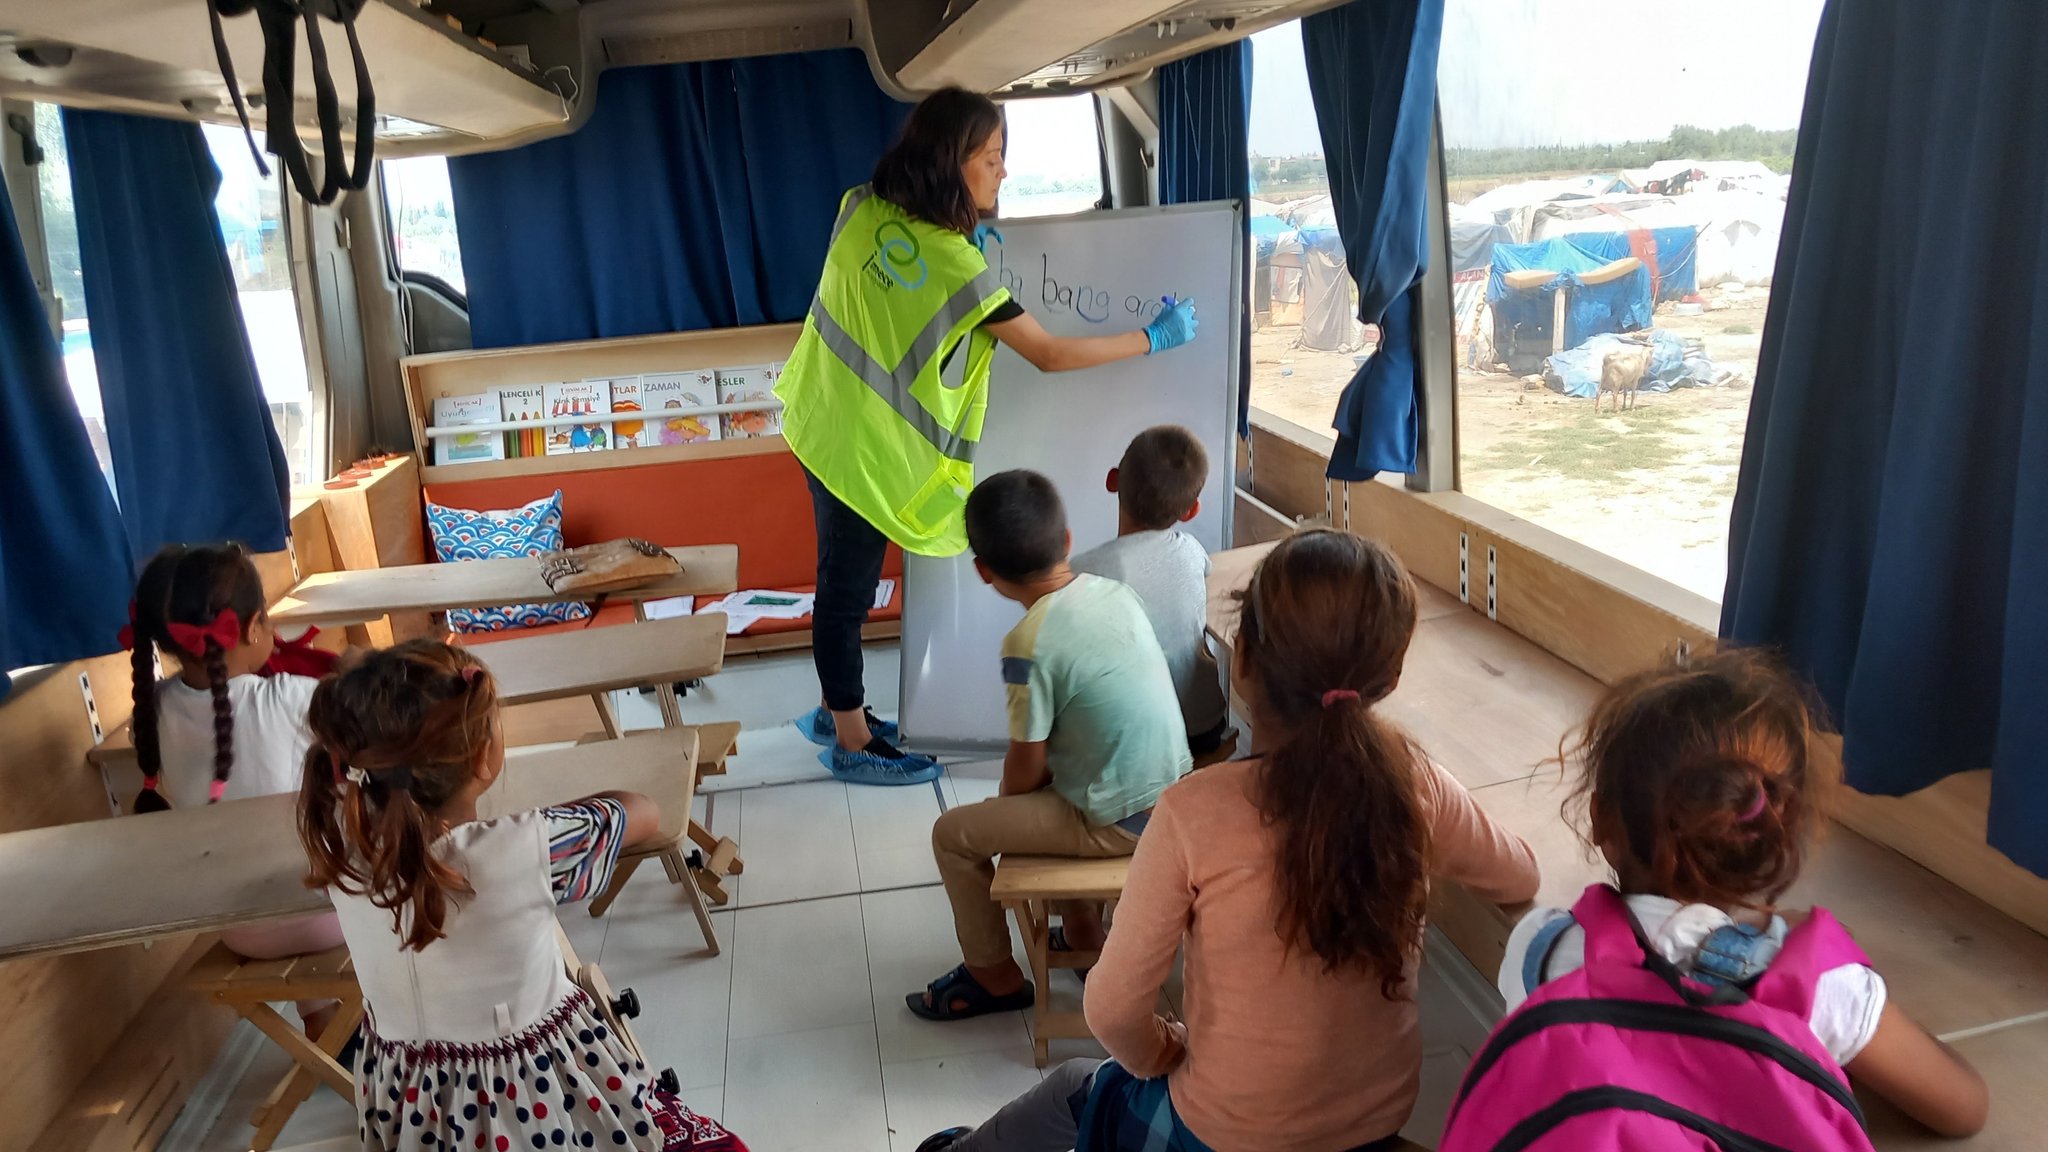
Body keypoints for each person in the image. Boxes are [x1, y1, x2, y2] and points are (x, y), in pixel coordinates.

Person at [917, 529, 1540, 1152]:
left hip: (1223, 1133)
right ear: (1391, 675)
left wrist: (1169, 1050)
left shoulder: (1195, 811)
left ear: (1242, 659)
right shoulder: (1417, 783)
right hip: (1373, 1125)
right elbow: (1520, 875)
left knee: (1073, 1088)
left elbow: (1110, 1012)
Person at [778, 87, 1200, 786]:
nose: (1003, 173)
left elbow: (881, 290)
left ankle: (836, 707)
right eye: (993, 157)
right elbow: (1050, 353)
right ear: (953, 163)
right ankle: (851, 739)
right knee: (845, 592)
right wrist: (1153, 338)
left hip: (817, 416)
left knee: (839, 582)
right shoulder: (960, 269)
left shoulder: (861, 204)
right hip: (860, 453)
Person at [1475, 650, 1988, 1141]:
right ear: (1782, 832)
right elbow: (1963, 1107)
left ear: (1601, 820)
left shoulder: (1540, 947)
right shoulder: (1814, 987)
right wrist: (1841, 969)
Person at [297, 641, 749, 1152]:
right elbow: (642, 811)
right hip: (530, 1091)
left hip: (407, 1091)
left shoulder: (336, 843)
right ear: (485, 757)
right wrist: (553, 816)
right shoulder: (525, 844)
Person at [910, 471, 1191, 1022]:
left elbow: (1027, 759)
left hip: (1119, 820)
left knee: (953, 835)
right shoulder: (1114, 593)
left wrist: (1002, 804)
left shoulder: (1027, 643)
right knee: (1054, 792)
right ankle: (1082, 931)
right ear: (1066, 541)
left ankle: (993, 975)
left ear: (984, 572)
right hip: (1172, 797)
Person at [122, 542, 344, 1034]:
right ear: (249, 629)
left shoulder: (149, 716)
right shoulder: (293, 698)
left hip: (240, 928)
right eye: (267, 619)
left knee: (277, 863)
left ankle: (323, 1022)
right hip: (332, 914)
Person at [1070, 425, 1229, 757]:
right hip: (1204, 723)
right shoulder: (1193, 552)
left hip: (1140, 743)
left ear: (1112, 480)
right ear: (1191, 511)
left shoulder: (1085, 572)